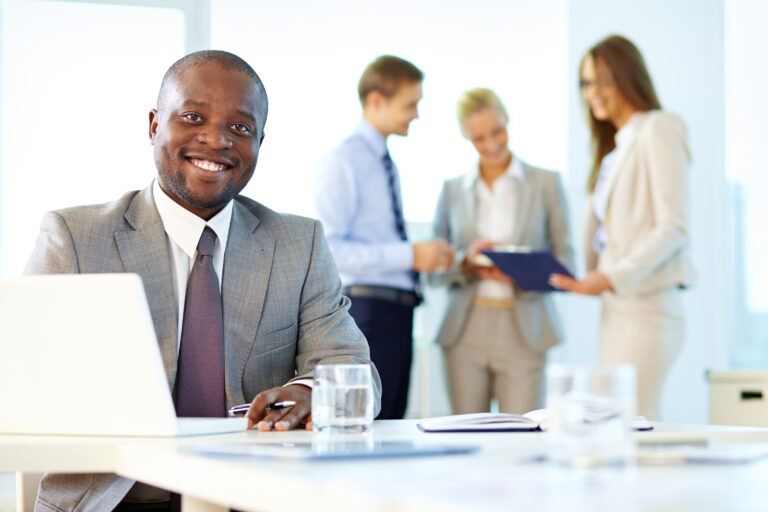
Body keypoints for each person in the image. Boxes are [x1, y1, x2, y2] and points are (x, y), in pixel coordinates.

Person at [25, 50, 380, 512]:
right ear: (154, 125)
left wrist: (309, 393)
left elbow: (355, 373)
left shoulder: (299, 243)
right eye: (193, 117)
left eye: (240, 128)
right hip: (116, 498)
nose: (216, 140)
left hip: (259, 496)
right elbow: (26, 381)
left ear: (259, 141)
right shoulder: (74, 238)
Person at [550, 35, 695, 419]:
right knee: (617, 421)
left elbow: (674, 227)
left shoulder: (658, 128)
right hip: (617, 309)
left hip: (648, 308)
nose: (592, 92)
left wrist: (611, 276)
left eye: (602, 80)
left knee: (629, 423)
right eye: (585, 83)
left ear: (628, 77)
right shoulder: (615, 147)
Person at [314, 55, 455, 420]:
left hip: (396, 311)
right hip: (368, 314)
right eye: (411, 104)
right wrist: (410, 256)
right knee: (369, 423)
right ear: (376, 100)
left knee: (391, 419)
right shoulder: (343, 161)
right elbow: (332, 252)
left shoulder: (383, 160)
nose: (417, 115)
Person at [429, 88, 573, 414]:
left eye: (498, 131)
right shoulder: (452, 190)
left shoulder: (546, 183)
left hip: (524, 328)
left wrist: (523, 269)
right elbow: (431, 273)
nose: (492, 144)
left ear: (507, 119)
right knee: (466, 438)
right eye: (479, 138)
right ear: (466, 137)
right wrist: (466, 261)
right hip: (466, 329)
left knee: (522, 438)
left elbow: (567, 260)